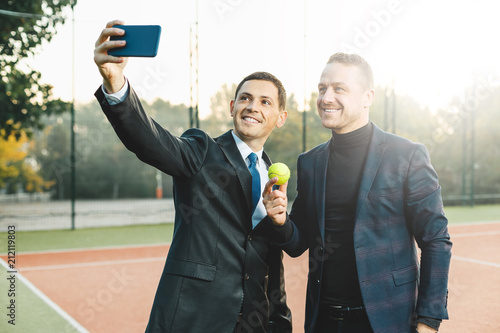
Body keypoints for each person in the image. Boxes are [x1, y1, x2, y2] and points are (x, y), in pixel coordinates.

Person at [93, 20, 292, 333]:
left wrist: (279, 321)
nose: (252, 106)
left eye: (265, 102)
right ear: (231, 106)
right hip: (194, 318)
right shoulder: (202, 150)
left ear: (280, 118)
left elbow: (270, 262)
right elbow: (151, 141)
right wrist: (116, 84)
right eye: (245, 98)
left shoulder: (273, 177)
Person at [263, 52, 452, 333]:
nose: (326, 98)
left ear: (367, 97)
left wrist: (428, 320)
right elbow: (297, 243)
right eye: (322, 88)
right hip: (324, 320)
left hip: (388, 321)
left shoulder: (407, 155)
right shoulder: (310, 162)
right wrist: (280, 221)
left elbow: (436, 239)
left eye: (339, 88)